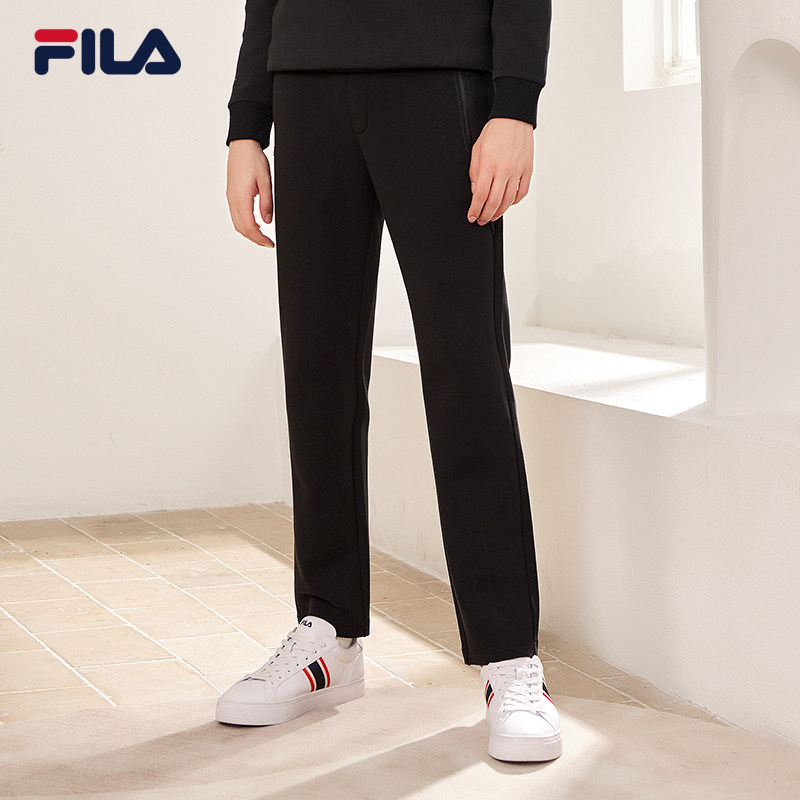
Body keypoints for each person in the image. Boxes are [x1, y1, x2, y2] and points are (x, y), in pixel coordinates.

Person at [215, 0, 562, 763]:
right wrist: (247, 124)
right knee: (318, 374)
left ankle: (509, 658)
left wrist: (515, 103)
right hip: (306, 81)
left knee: (467, 369)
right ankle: (328, 635)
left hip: (440, 74)